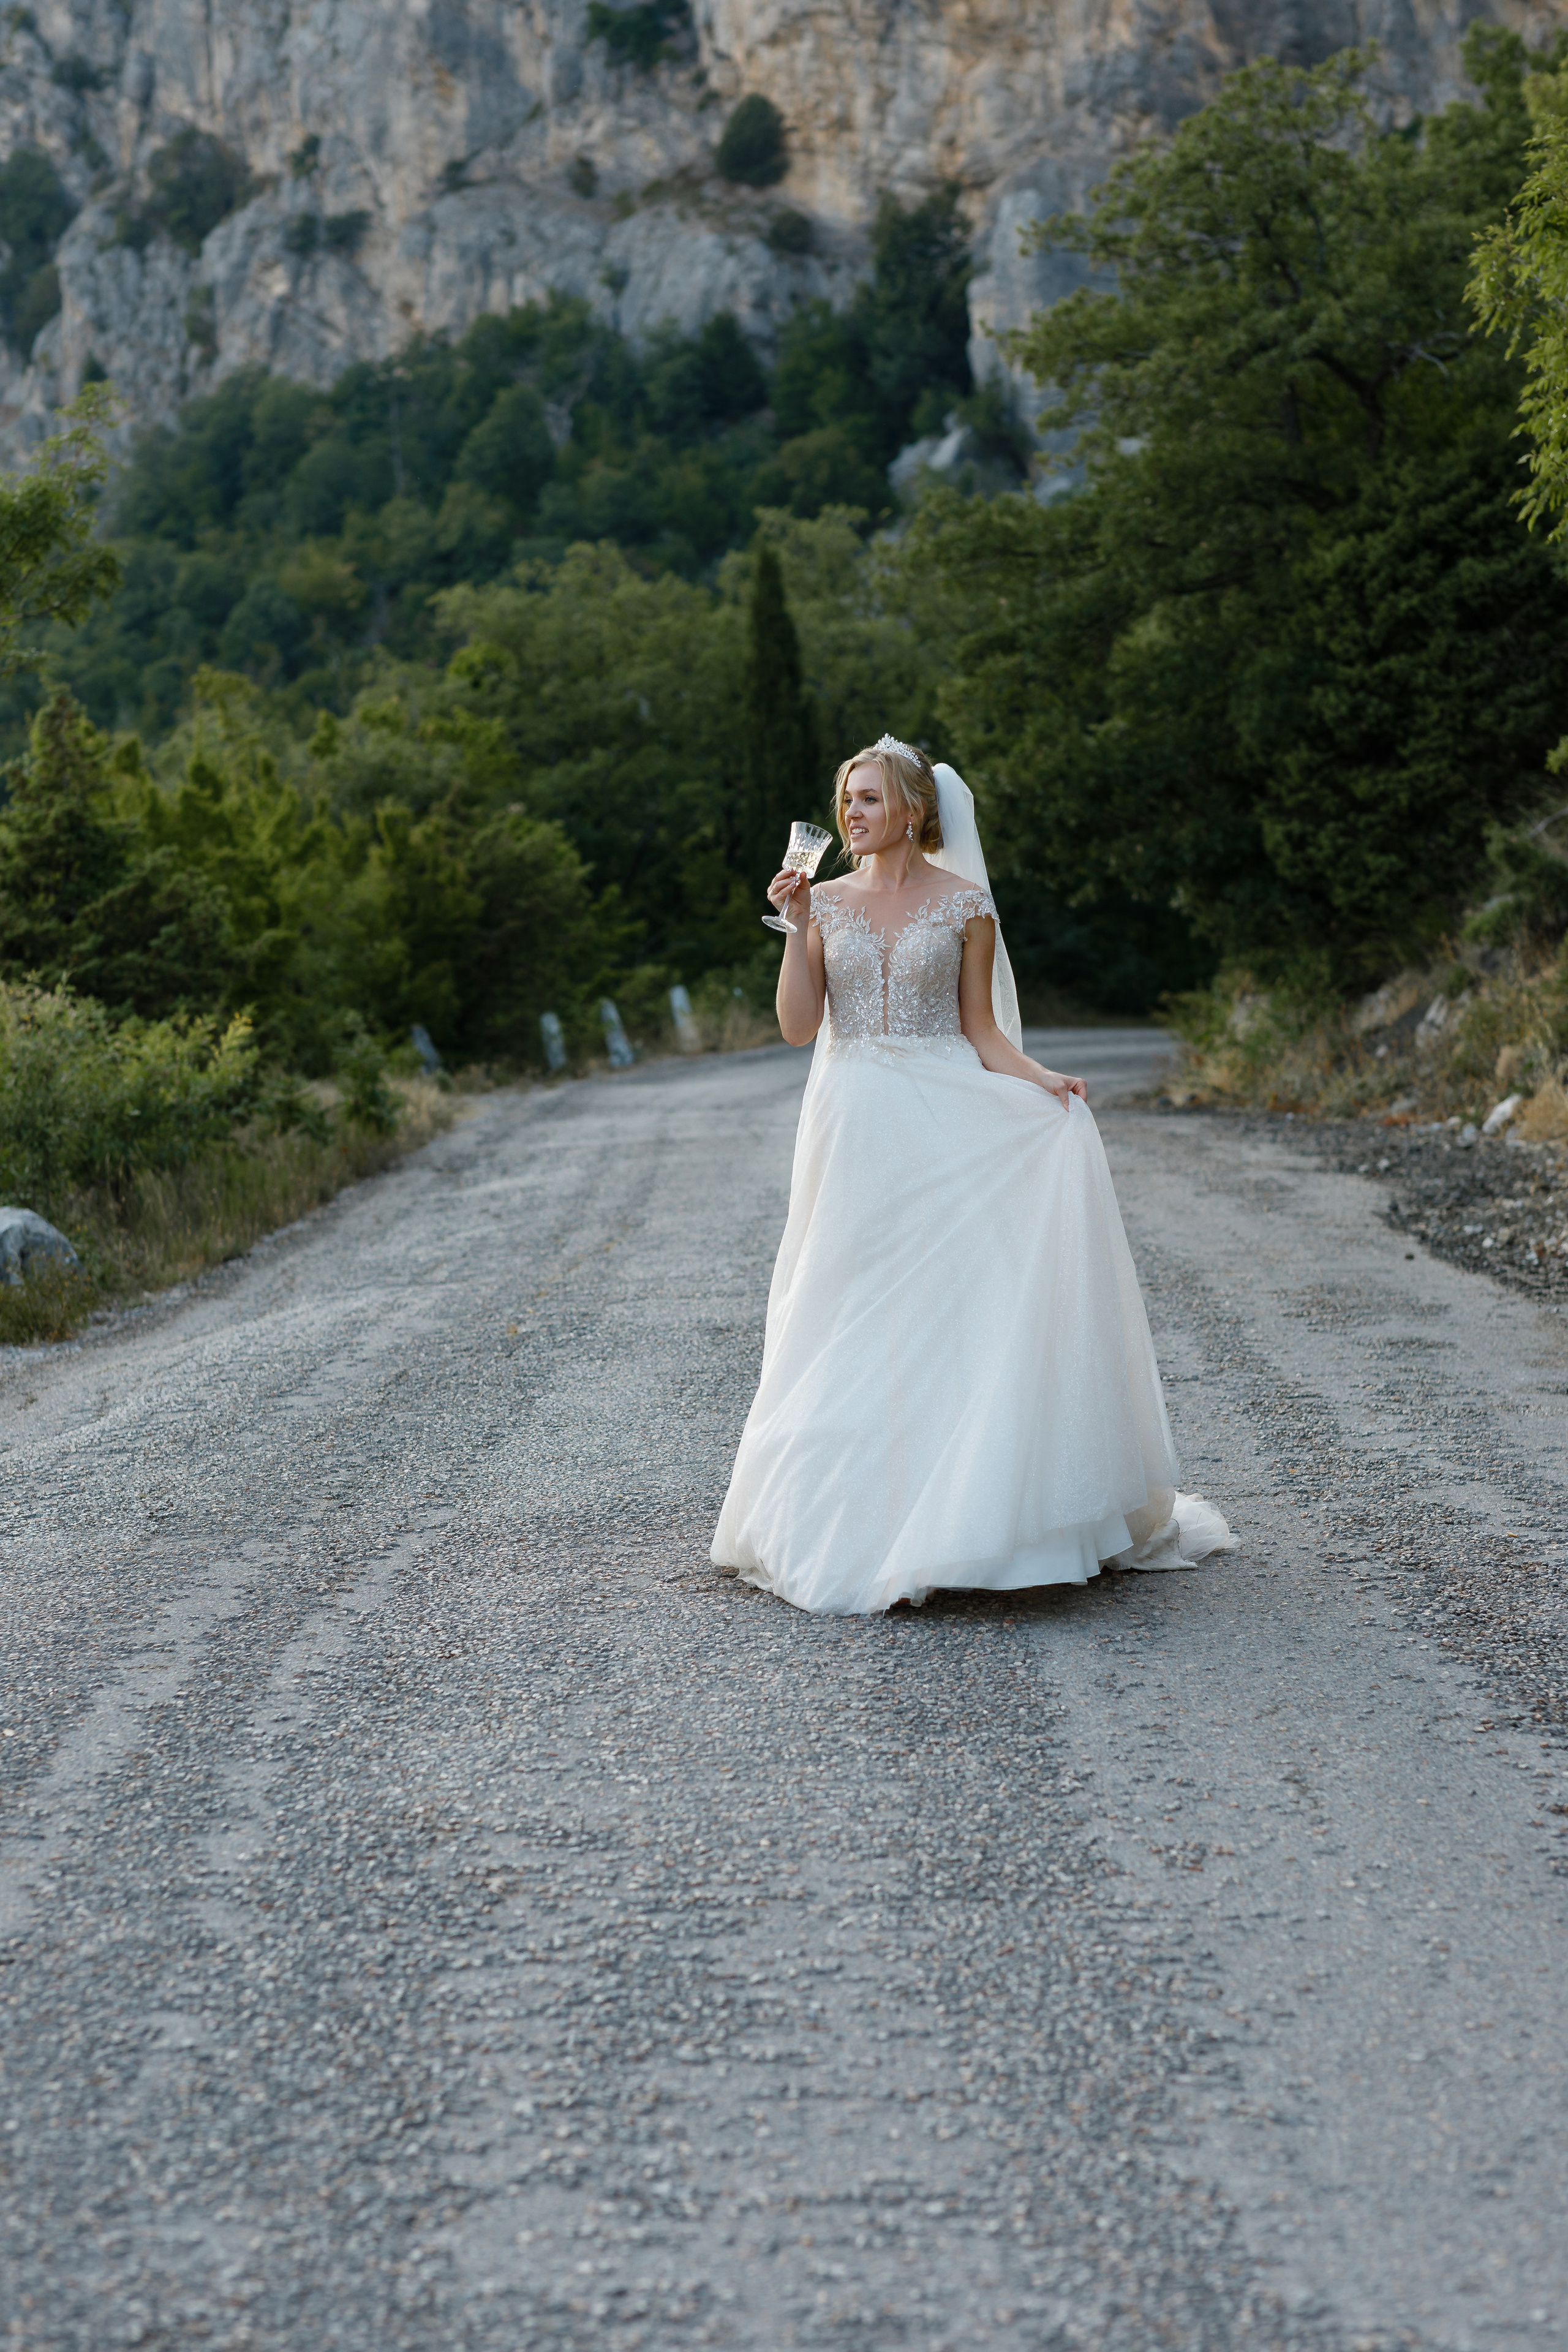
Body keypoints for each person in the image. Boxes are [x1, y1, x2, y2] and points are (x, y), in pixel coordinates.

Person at [710, 735, 1234, 1616]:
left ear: (914, 810)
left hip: (946, 1117)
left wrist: (1043, 1083)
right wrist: (795, 930)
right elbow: (800, 1029)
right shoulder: (824, 904)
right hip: (851, 1124)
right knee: (845, 1304)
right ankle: (851, 1518)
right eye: (847, 801)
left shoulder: (966, 906)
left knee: (947, 1306)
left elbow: (983, 1033)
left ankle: (971, 1517)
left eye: (870, 800)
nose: (853, 815)